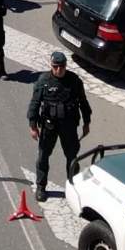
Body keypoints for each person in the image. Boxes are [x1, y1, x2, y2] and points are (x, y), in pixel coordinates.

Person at [28, 51, 92, 202]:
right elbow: (35, 104)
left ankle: (73, 187)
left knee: (72, 158)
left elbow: (83, 102)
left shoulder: (74, 81)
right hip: (49, 126)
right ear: (51, 65)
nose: (59, 70)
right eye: (55, 66)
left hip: (69, 126)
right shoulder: (43, 81)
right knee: (43, 156)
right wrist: (33, 125)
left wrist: (86, 122)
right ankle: (41, 187)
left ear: (65, 66)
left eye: (61, 66)